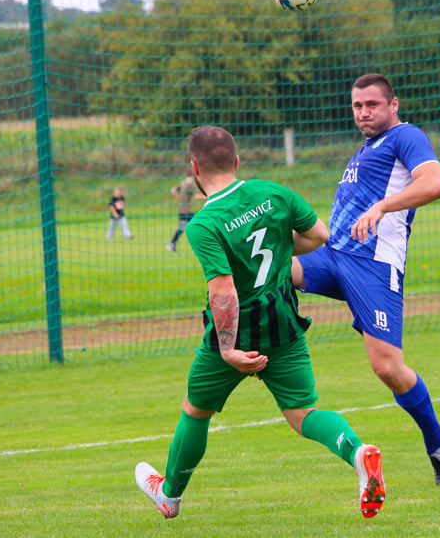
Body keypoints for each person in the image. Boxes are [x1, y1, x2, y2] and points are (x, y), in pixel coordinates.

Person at [135, 125, 386, 519]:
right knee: (303, 414)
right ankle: (358, 453)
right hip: (283, 321)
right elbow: (319, 234)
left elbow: (223, 290)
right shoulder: (274, 192)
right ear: (236, 161)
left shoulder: (204, 223)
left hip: (238, 329)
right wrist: (280, 249)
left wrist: (229, 348)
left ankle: (170, 494)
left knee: (196, 409)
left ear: (194, 168)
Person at [291, 73, 440, 486]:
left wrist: (382, 207)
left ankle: (438, 442)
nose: (363, 112)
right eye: (357, 106)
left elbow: (436, 184)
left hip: (374, 267)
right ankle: (271, 353)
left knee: (386, 367)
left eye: (372, 105)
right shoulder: (363, 151)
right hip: (333, 256)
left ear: (393, 105)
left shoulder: (405, 136)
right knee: (275, 270)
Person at [166, 168, 206, 252]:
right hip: (187, 211)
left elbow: (173, 190)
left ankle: (172, 244)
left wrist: (179, 198)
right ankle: (202, 245)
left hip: (182, 210)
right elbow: (196, 197)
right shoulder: (191, 184)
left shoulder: (183, 183)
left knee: (182, 228)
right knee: (200, 224)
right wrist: (207, 197)